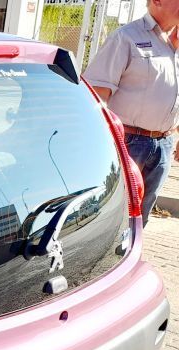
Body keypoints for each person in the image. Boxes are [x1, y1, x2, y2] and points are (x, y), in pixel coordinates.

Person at [83, 0, 179, 226]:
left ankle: (131, 257)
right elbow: (97, 96)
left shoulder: (175, 43)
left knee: (140, 217)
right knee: (113, 215)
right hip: (129, 142)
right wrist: (107, 144)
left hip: (164, 144)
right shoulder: (126, 38)